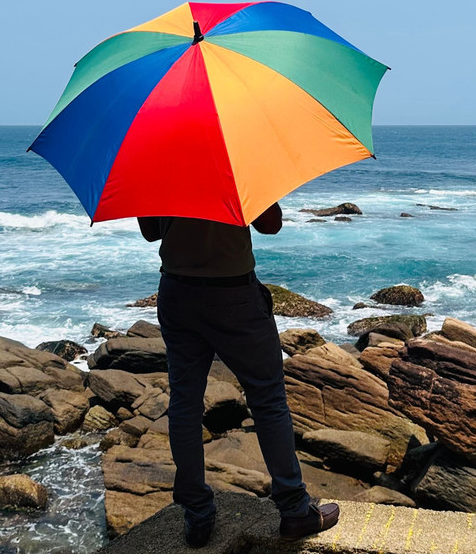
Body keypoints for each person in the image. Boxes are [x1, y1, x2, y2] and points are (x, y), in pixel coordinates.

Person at [138, 204, 340, 547]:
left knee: (185, 403)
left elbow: (150, 232)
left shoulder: (153, 170)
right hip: (233, 293)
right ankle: (294, 508)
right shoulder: (235, 168)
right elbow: (271, 225)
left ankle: (197, 515)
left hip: (177, 291)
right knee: (268, 399)